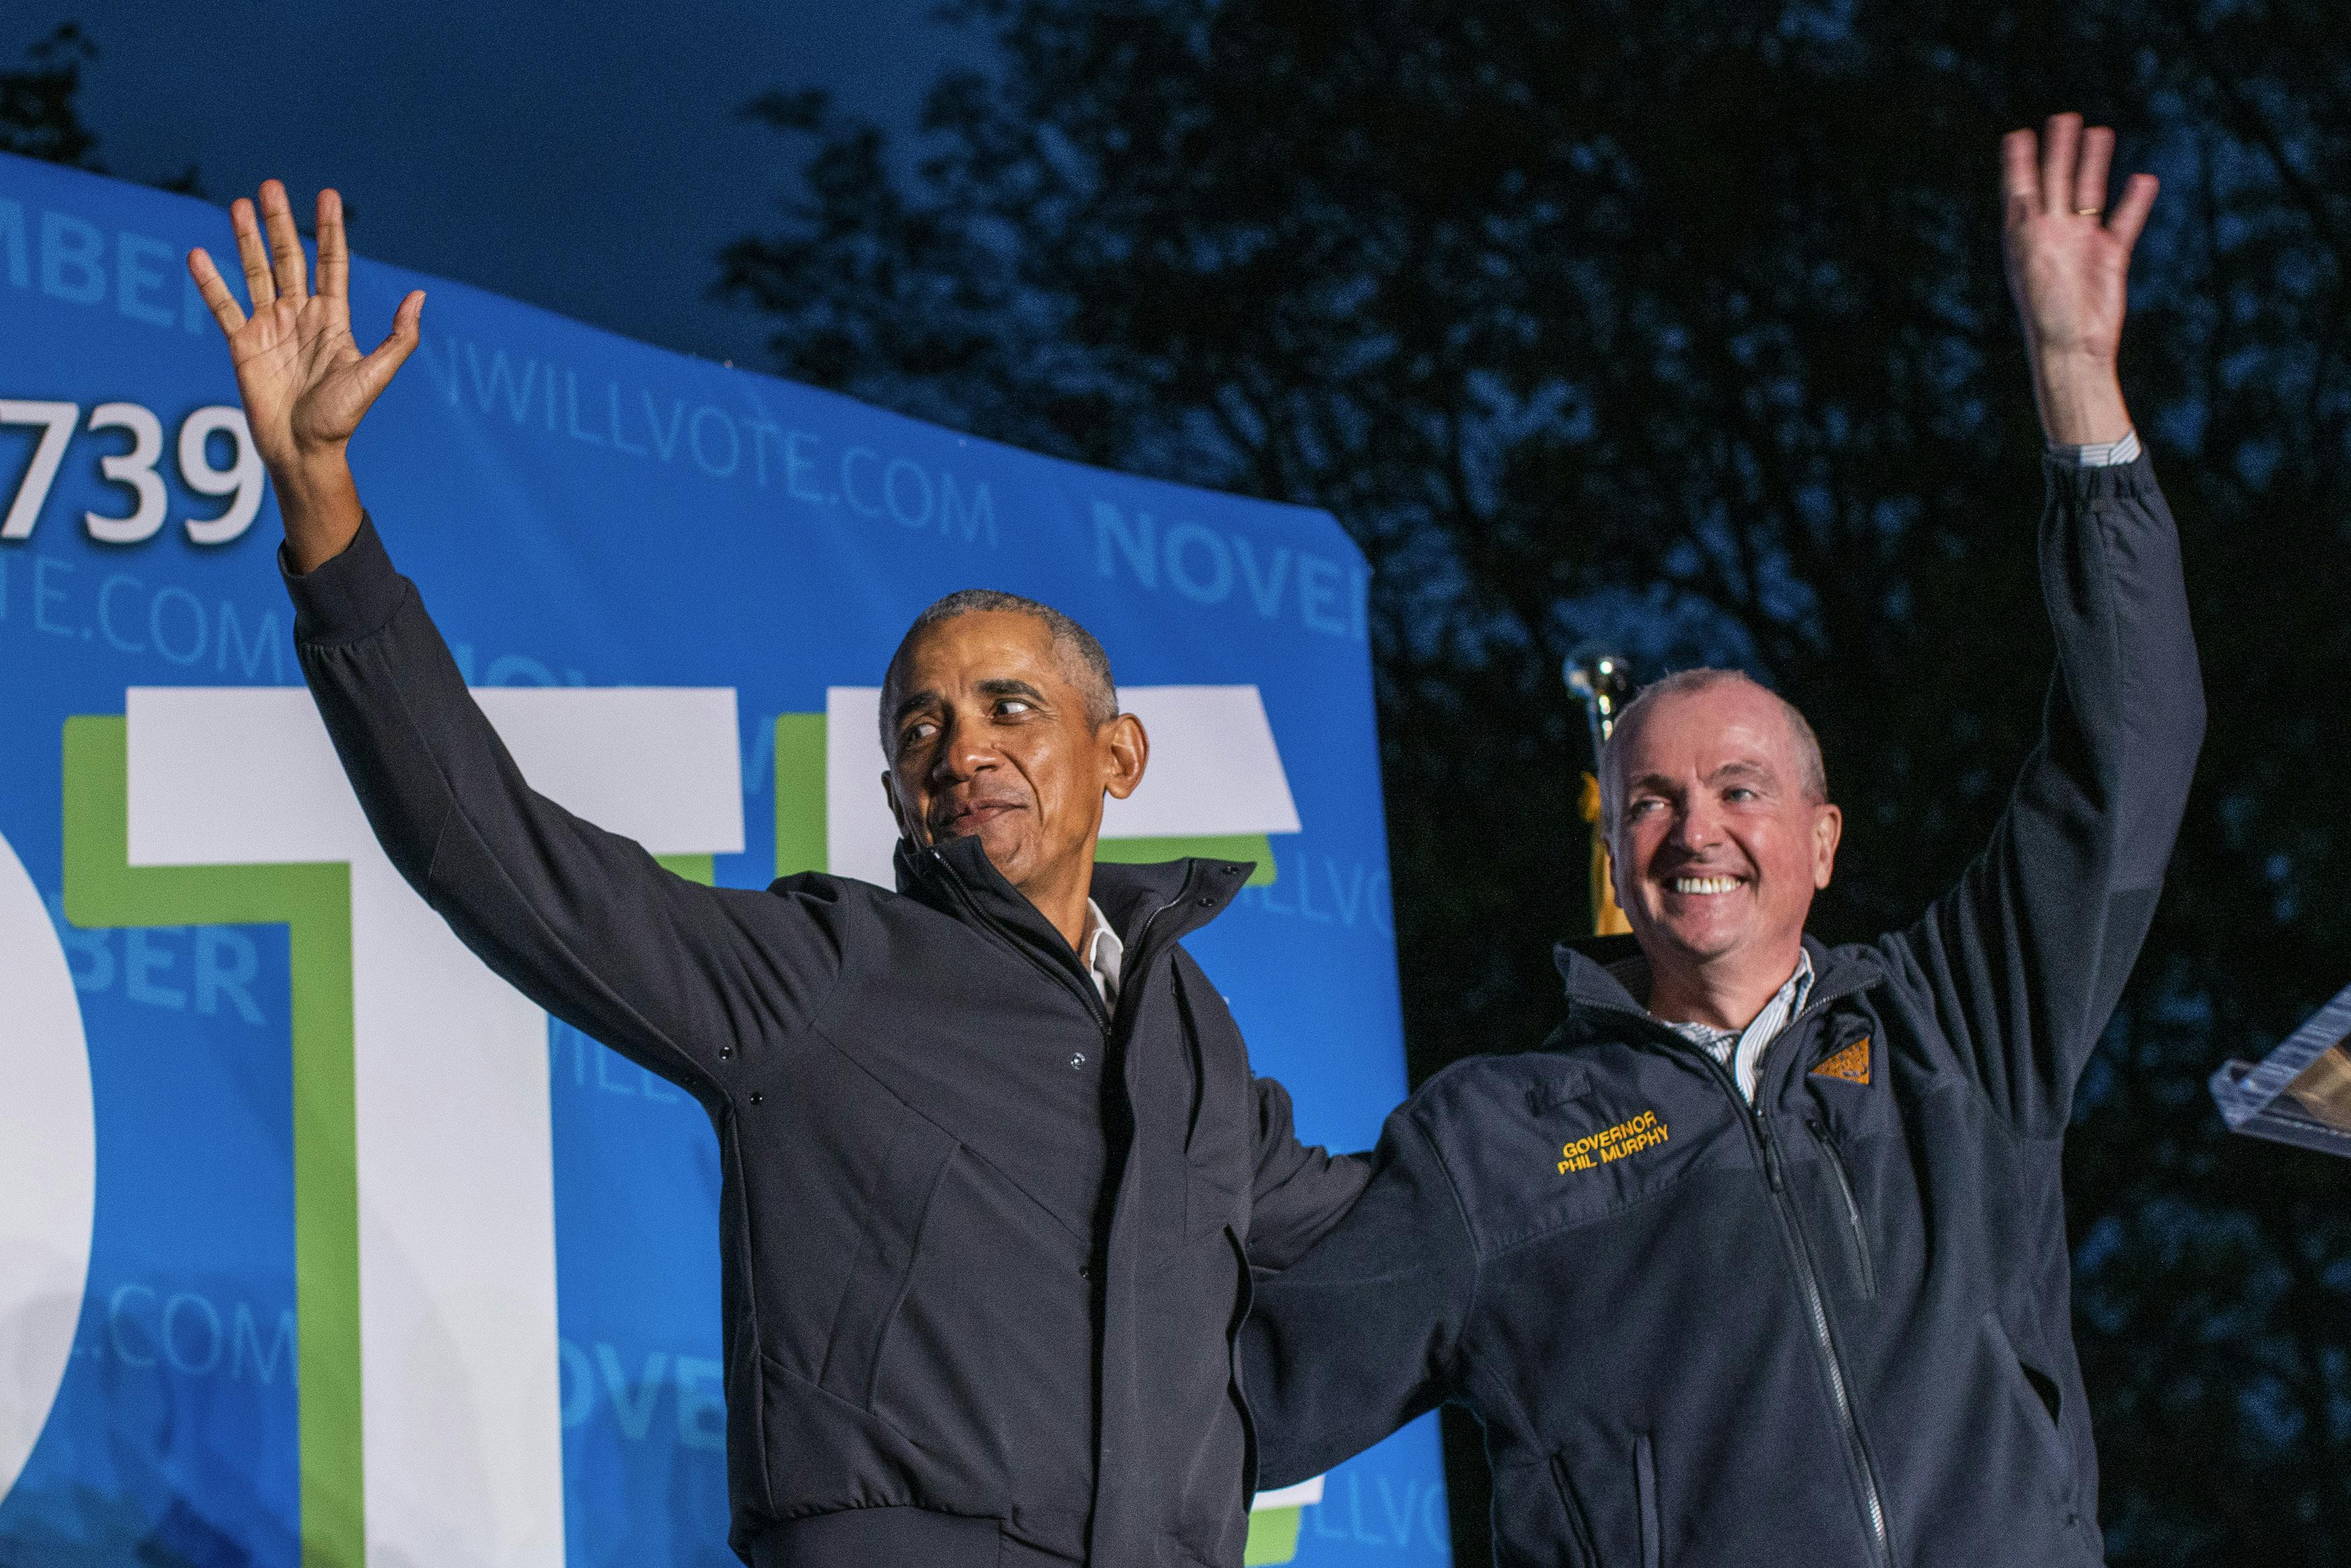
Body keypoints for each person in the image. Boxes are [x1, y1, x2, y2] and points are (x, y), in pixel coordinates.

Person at [186, 183, 1364, 1568]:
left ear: (1119, 756)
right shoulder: (824, 969)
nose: (960, 747)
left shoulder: (1194, 1040)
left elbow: (1404, 1241)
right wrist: (323, 510)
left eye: (1007, 709)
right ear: (891, 798)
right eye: (919, 726)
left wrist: (1650, 1103)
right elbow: (497, 853)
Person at [1239, 114, 2202, 1567]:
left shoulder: (1957, 1029)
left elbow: (2128, 748)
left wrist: (2076, 379)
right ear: (1616, 852)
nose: (1695, 828)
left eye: (1739, 789)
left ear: (1820, 838)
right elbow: (1234, 1404)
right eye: (1650, 799)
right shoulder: (1495, 1143)